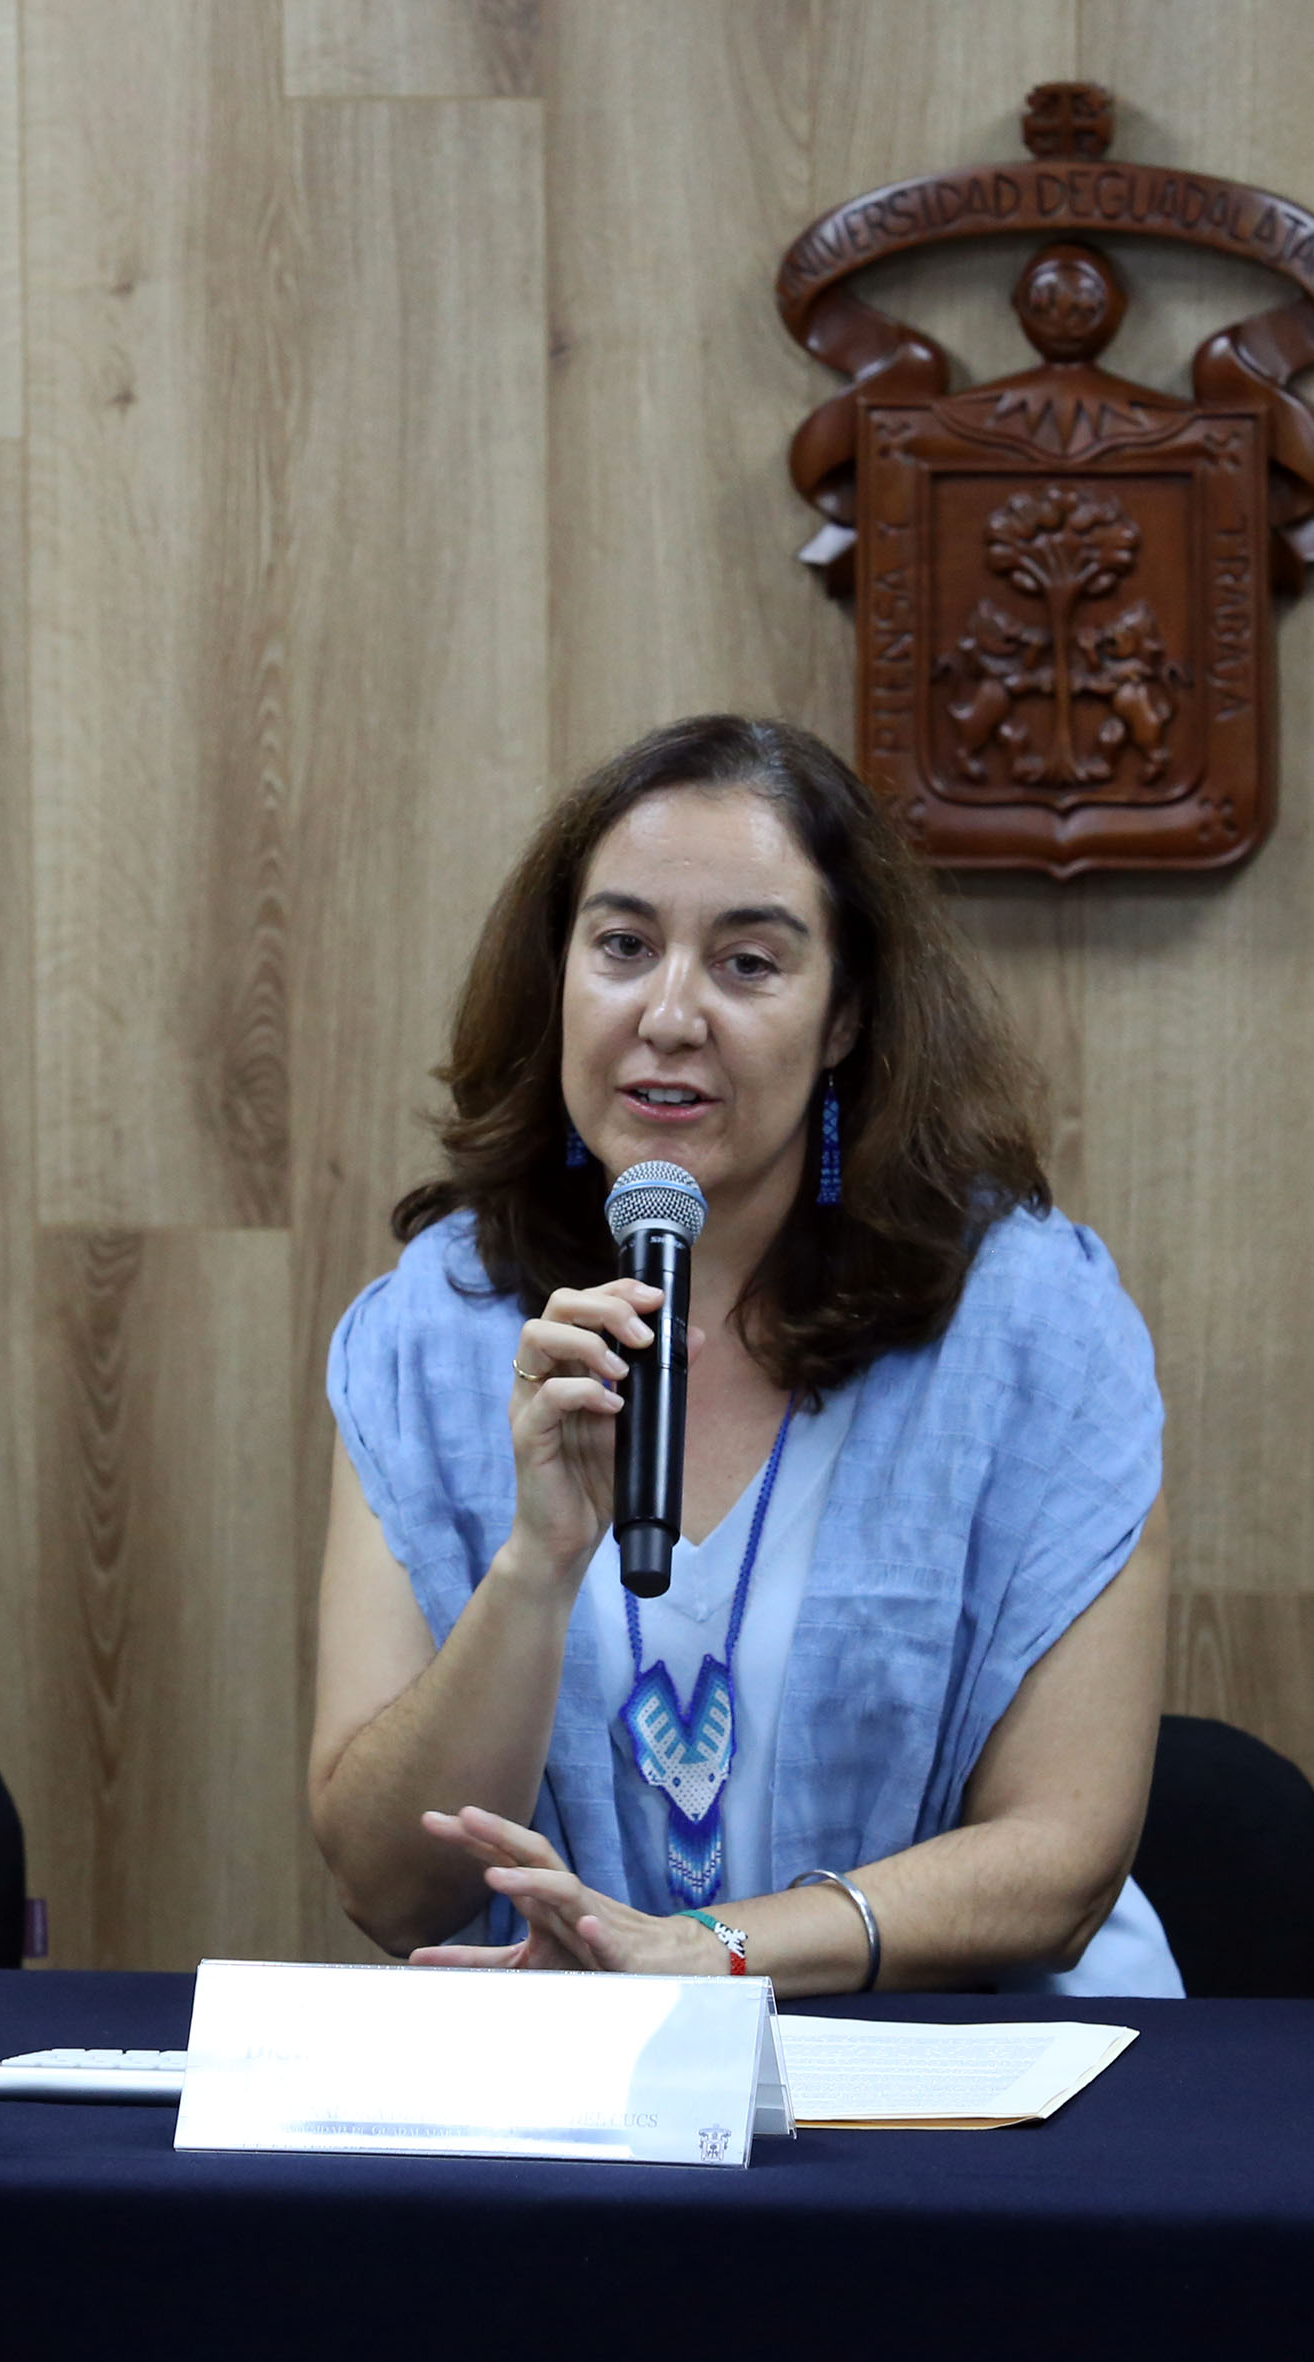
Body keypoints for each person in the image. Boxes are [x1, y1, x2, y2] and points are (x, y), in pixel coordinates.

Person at [312, 715, 1177, 1996]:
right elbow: (387, 1889)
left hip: (975, 2074)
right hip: (592, 2085)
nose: (669, 1015)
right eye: (622, 946)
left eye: (748, 963)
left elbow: (1061, 1863)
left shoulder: (1032, 1322)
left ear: (844, 1018)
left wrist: (709, 1952)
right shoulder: (429, 1330)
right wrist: (537, 1564)